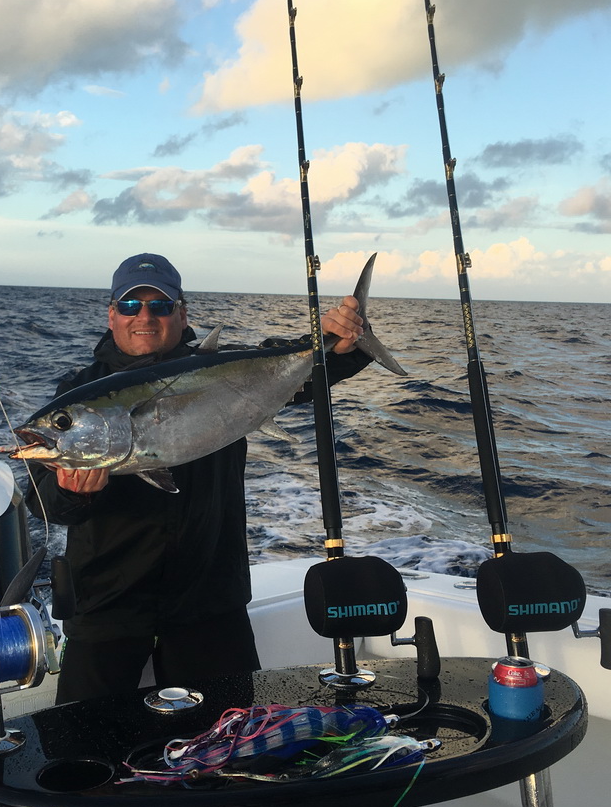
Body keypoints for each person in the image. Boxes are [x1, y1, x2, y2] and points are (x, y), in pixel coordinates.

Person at [26, 253, 373, 703]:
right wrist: (73, 494)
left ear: (183, 314)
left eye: (160, 305)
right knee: (83, 740)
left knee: (231, 735)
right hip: (106, 606)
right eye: (130, 305)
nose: (144, 317)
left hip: (209, 601)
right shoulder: (77, 396)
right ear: (111, 316)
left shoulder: (229, 368)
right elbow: (43, 501)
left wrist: (338, 342)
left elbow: (298, 366)